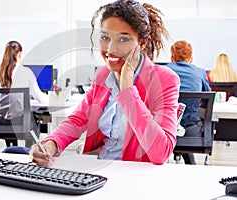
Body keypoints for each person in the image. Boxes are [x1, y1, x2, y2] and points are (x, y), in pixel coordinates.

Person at [30, 0, 180, 166]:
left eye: (123, 39)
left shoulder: (164, 80)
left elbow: (161, 153)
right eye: (105, 38)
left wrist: (128, 90)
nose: (110, 49)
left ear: (141, 43)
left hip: (134, 177)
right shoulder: (103, 74)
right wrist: (51, 145)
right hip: (98, 169)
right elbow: (77, 120)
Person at [167, 40, 211, 165]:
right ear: (191, 58)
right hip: (192, 131)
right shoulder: (200, 73)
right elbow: (208, 99)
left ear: (171, 58)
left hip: (165, 128)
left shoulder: (164, 71)